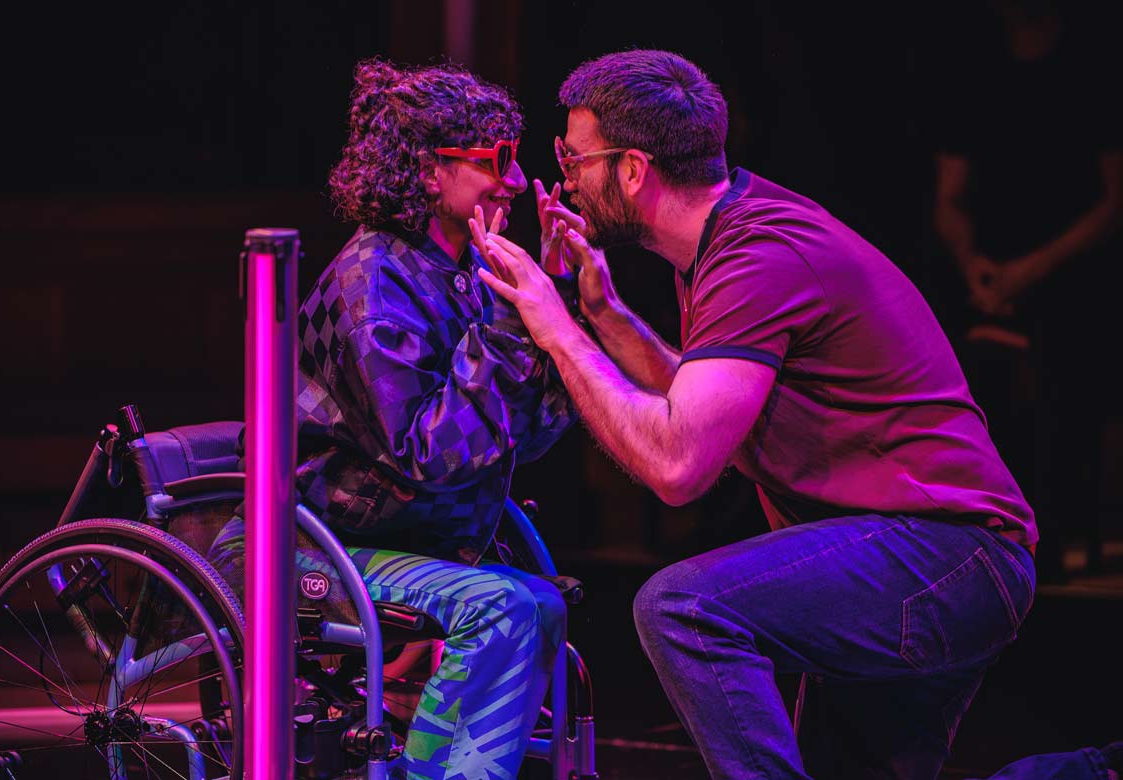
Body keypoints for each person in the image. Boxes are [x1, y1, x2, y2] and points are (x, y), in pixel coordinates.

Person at [473, 48, 1118, 780]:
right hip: (921, 553)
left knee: (683, 610)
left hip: (947, 554)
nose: (562, 177)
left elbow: (680, 466)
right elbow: (707, 403)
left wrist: (554, 328)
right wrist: (601, 314)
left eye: (573, 156)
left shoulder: (759, 255)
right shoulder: (734, 233)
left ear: (631, 169)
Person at [209, 58, 578, 780]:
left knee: (537, 603)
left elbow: (520, 440)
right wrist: (508, 322)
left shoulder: (462, 272)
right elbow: (431, 454)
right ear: (428, 173)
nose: (512, 180)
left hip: (392, 537)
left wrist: (554, 311)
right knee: (506, 608)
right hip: (311, 545)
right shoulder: (373, 284)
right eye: (494, 160)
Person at [934, 0, 1123, 583]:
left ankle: (1066, 534)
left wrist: (1032, 270)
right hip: (991, 275)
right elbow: (949, 197)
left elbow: (1114, 200)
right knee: (970, 386)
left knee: (1069, 381)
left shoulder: (1092, 71)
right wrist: (975, 267)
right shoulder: (977, 73)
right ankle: (990, 539)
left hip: (1071, 269)